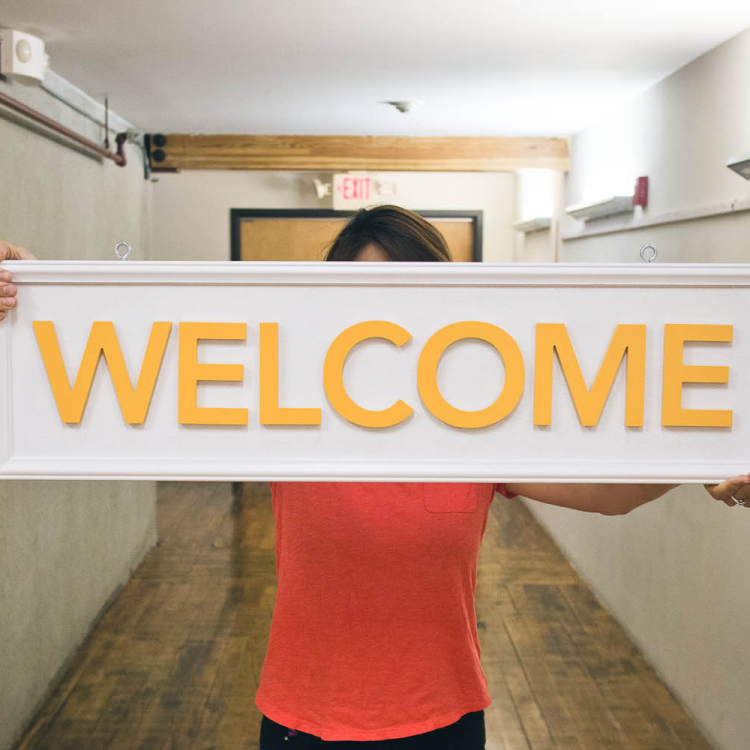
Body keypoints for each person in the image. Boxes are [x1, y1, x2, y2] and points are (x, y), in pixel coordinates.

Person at [1, 209, 747, 750]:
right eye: (360, 293)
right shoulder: (282, 407)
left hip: (444, 720)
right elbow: (121, 375)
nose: (383, 315)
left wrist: (704, 452)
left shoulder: (478, 420)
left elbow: (611, 494)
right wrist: (35, 310)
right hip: (300, 719)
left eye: (407, 292)